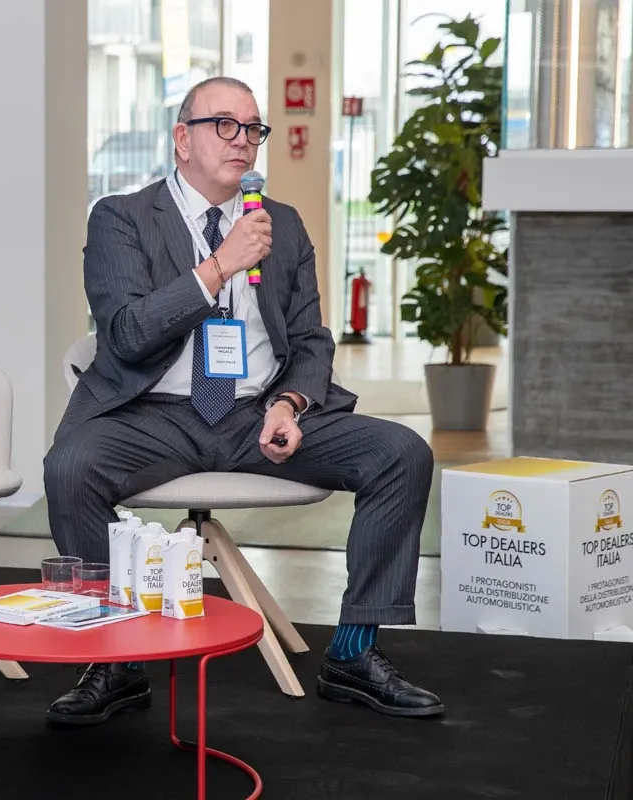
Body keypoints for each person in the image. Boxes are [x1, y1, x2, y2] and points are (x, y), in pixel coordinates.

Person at [43, 77, 442, 726]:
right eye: (224, 124)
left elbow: (310, 339)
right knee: (69, 468)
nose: (243, 140)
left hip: (256, 414)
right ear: (182, 139)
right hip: (152, 415)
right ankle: (117, 658)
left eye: (253, 128)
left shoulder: (281, 223)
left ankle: (352, 651)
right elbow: (127, 333)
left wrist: (290, 403)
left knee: (401, 453)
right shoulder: (121, 218)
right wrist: (218, 267)